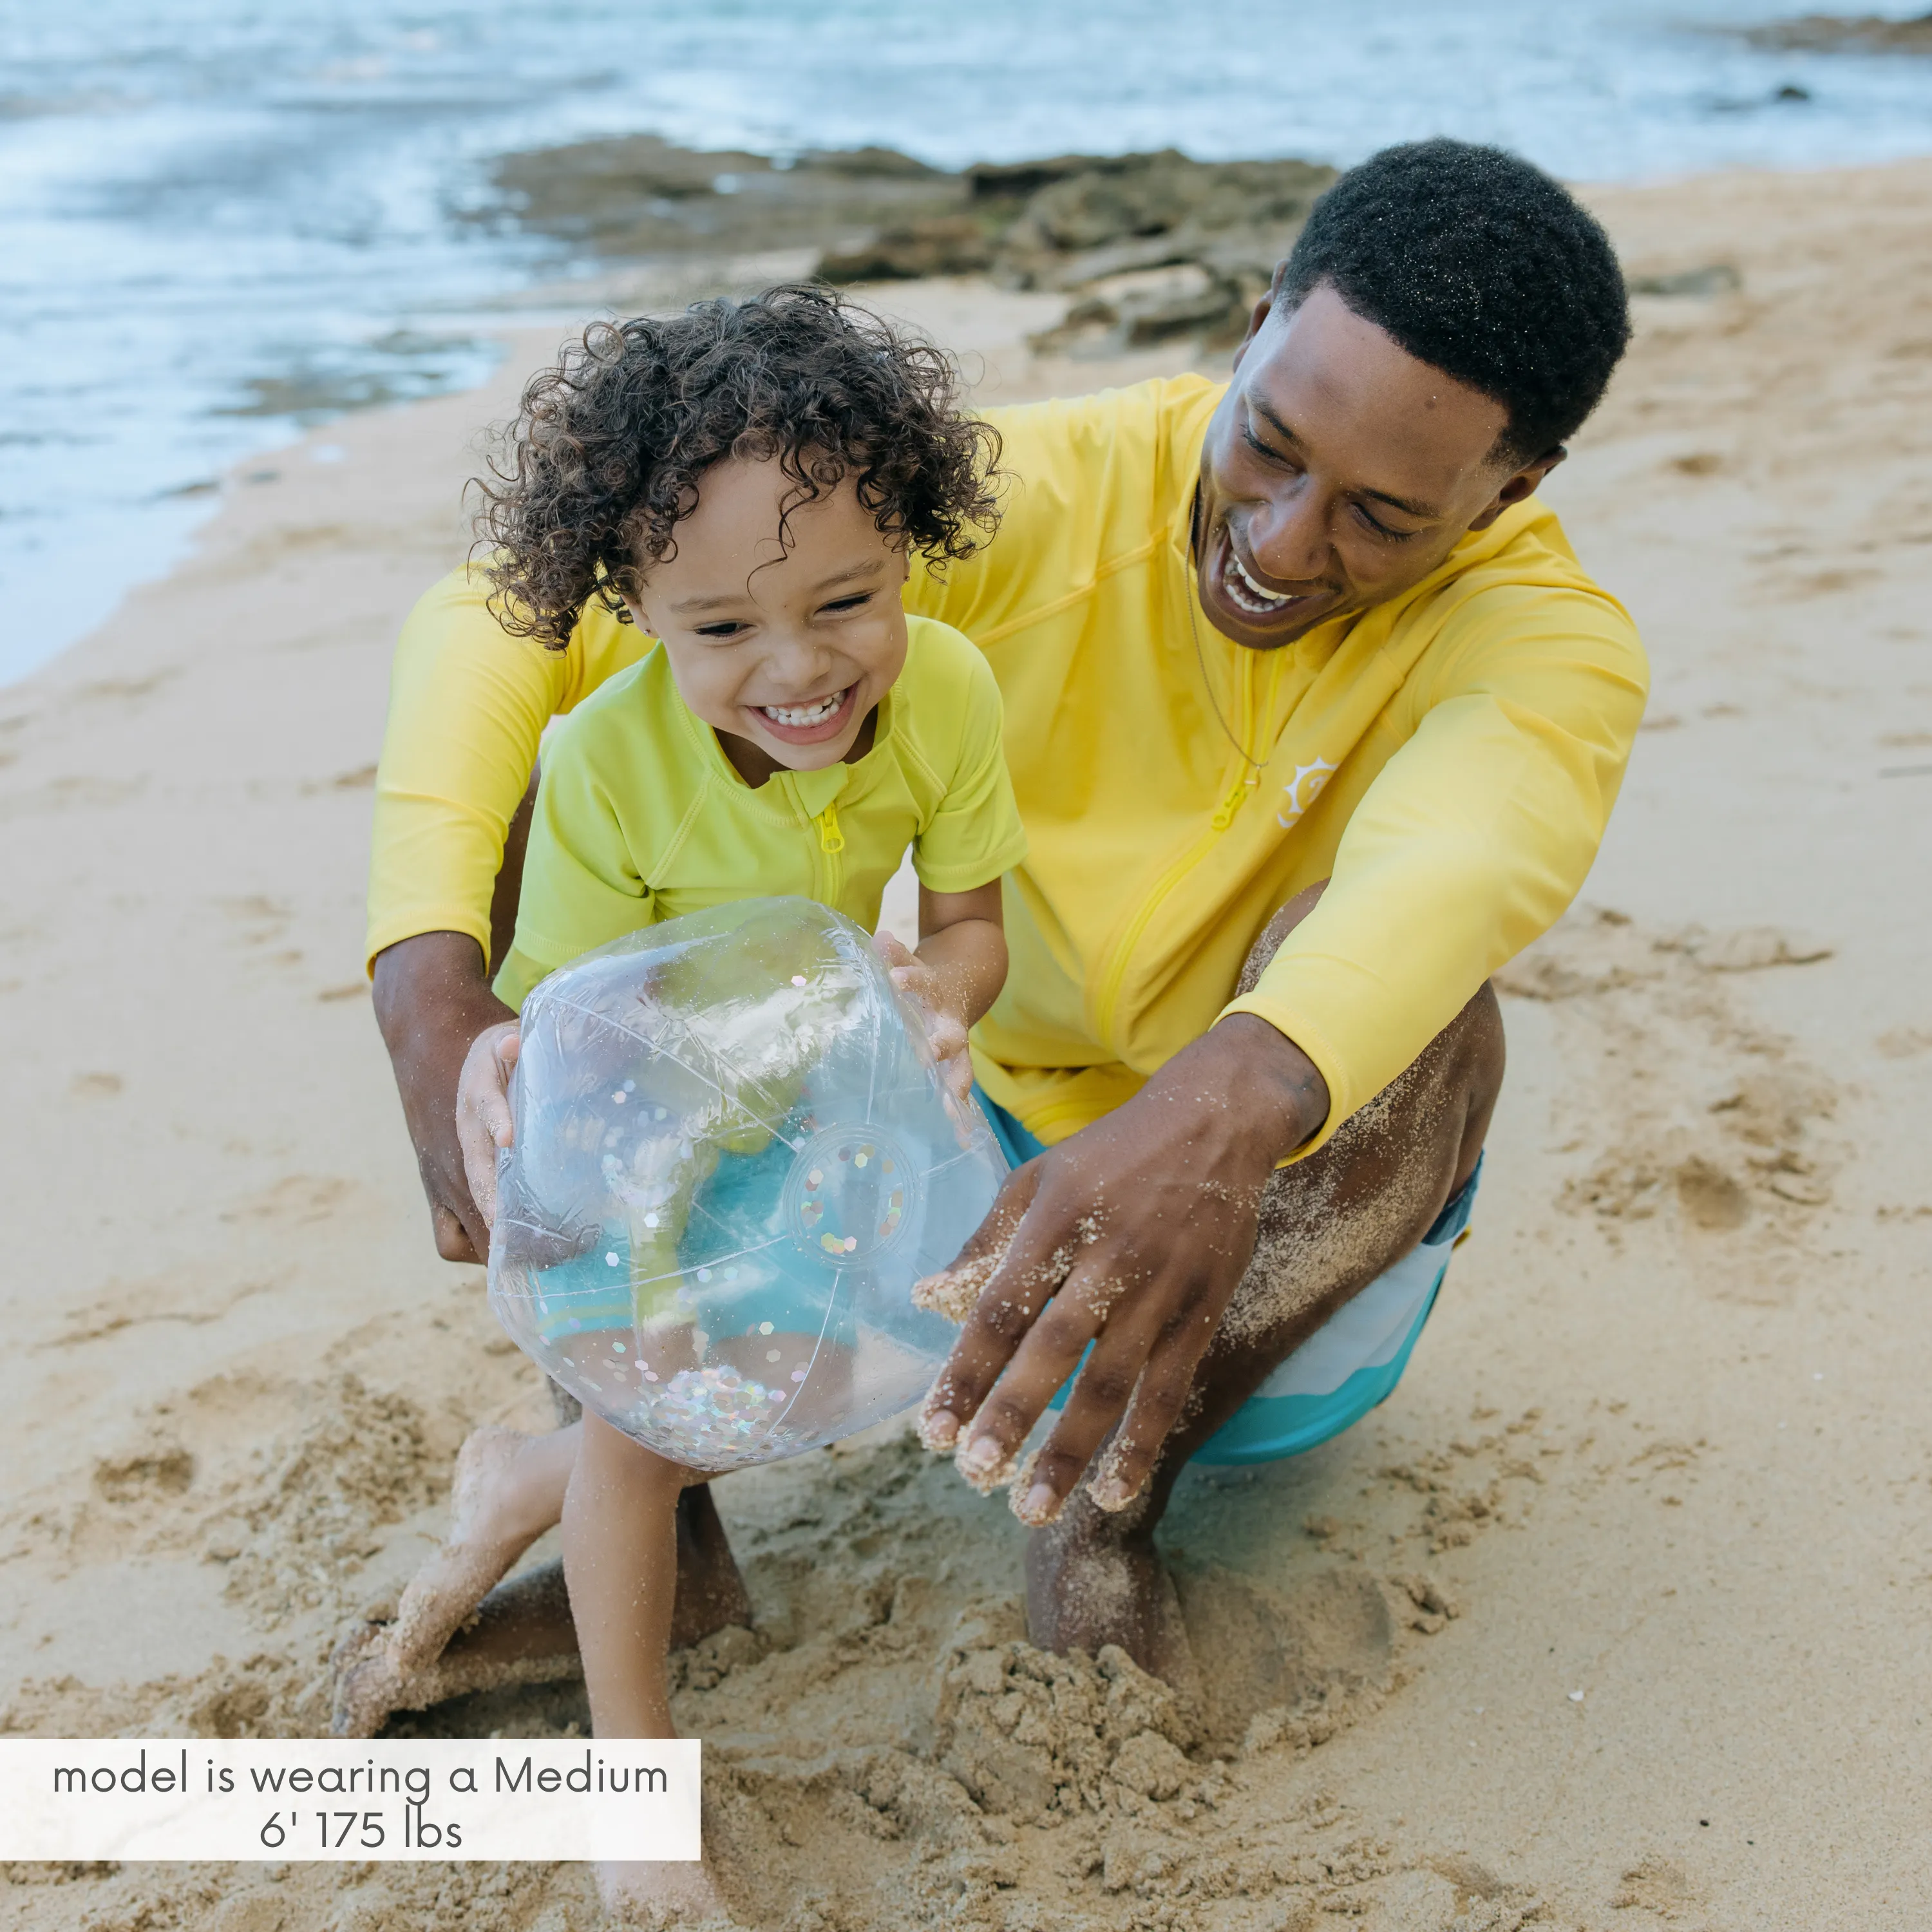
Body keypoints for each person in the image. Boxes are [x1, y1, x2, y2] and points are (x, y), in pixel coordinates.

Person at [357, 138, 1646, 1709]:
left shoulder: (1550, 646)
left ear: (1510, 490)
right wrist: (430, 986)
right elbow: (503, 613)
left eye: (1381, 513)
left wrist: (1212, 1128)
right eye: (1270, 445)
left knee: (1433, 1011)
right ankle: (659, 1510)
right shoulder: (1050, 497)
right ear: (1250, 332)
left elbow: (1460, 863)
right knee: (597, 774)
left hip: (1259, 1263)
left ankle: (1100, 1514)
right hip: (952, 1174)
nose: (1288, 540)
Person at [335, 290, 1025, 1906]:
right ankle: (633, 1784)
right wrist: (509, 1076)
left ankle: (524, 1480)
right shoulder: (598, 765)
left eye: (847, 599)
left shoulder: (955, 697)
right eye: (721, 630)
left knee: (893, 1354)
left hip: (839, 1114)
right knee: (655, 1427)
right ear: (632, 604)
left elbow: (978, 928)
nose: (799, 669)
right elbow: (576, 1030)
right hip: (651, 1146)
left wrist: (944, 995)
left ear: (912, 542)